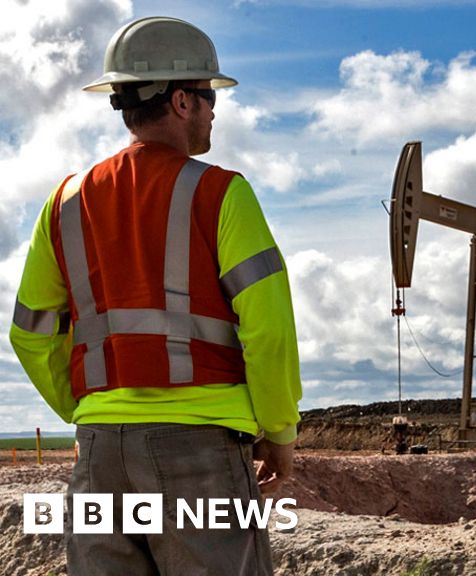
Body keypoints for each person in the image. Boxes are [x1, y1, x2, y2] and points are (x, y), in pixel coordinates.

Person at [9, 16, 302, 575]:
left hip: (99, 453)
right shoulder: (222, 193)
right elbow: (268, 328)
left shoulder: (64, 204)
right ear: (181, 101)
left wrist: (93, 413)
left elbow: (29, 331)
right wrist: (280, 430)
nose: (215, 107)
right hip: (199, 452)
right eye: (209, 93)